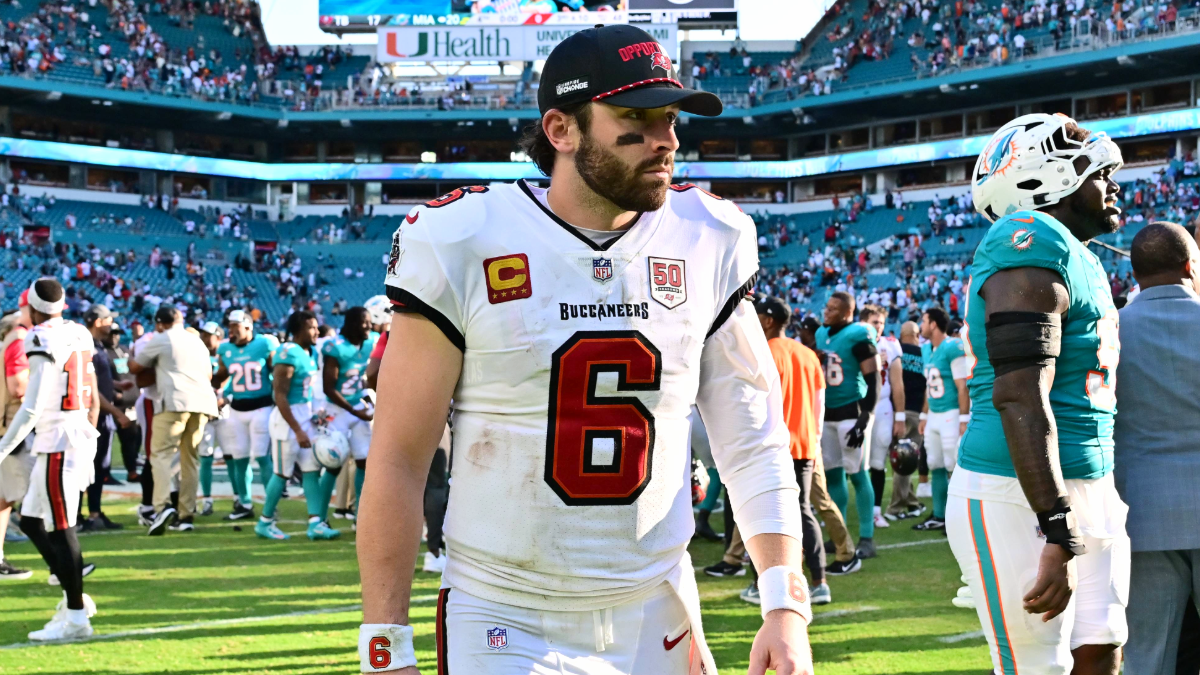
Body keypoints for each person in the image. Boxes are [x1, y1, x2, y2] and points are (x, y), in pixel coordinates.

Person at [358, 24, 813, 675]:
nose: (667, 139)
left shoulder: (706, 236)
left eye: (671, 116)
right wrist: (385, 646)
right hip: (504, 613)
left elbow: (752, 436)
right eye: (636, 117)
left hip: (656, 607)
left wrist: (783, 602)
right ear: (561, 129)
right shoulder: (464, 241)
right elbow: (400, 457)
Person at [948, 113, 1128, 675]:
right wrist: (1056, 523)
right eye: (1096, 172)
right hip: (1018, 491)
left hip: (1090, 480)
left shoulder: (1085, 257)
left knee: (1102, 650)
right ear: (1044, 178)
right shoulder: (1028, 239)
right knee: (1036, 666)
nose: (1113, 184)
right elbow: (1020, 394)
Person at [1112, 222, 1200, 674]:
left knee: (1147, 658)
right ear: (1191, 266)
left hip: (1141, 513)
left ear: (1136, 273)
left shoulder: (1112, 331)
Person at [0, 279, 100, 640]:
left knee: (62, 527)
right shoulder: (79, 331)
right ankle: (74, 599)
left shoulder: (40, 336)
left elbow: (32, 405)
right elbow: (91, 390)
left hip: (59, 438)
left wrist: (2, 449)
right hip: (69, 434)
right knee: (29, 521)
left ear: (32, 306)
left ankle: (76, 617)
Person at [755, 296, 831, 605]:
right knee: (803, 510)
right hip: (804, 443)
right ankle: (820, 580)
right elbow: (819, 403)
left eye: (758, 315)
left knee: (764, 513)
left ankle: (763, 582)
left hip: (773, 445)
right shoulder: (808, 354)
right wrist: (814, 441)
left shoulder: (764, 352)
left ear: (768, 320)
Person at [128, 306, 220, 535]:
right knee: (191, 458)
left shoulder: (162, 337)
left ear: (160, 323)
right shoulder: (196, 341)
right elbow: (209, 374)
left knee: (159, 454)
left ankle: (162, 506)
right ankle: (186, 513)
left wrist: (133, 354)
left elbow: (136, 367)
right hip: (203, 402)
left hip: (175, 400)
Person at [256, 310, 339, 542]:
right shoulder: (287, 353)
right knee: (282, 473)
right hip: (287, 420)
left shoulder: (309, 351)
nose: (316, 331)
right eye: (311, 327)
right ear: (298, 329)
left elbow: (306, 392)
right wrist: (298, 429)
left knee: (311, 470)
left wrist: (315, 415)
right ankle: (264, 522)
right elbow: (280, 396)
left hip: (303, 416)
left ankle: (316, 523)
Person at [815, 291, 880, 560]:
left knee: (858, 474)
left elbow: (874, 379)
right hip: (827, 414)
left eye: (833, 309)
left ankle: (867, 538)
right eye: (826, 307)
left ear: (847, 313)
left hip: (852, 413)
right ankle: (838, 534)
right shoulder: (822, 334)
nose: (826, 312)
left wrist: (864, 419)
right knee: (833, 476)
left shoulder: (858, 334)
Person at [212, 309, 278, 521]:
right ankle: (244, 503)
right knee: (239, 458)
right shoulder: (225, 349)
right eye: (229, 327)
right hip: (237, 409)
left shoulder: (264, 344)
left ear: (249, 327)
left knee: (261, 456)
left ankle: (270, 505)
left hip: (262, 407)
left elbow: (276, 373)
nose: (231, 331)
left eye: (236, 327)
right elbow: (221, 377)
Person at [318, 306, 376, 523]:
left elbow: (359, 378)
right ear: (352, 324)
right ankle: (320, 518)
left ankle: (361, 517)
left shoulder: (368, 343)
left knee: (364, 462)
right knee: (332, 464)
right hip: (337, 411)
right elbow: (329, 388)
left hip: (356, 408)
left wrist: (367, 399)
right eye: (365, 322)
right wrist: (356, 411)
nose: (369, 327)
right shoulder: (336, 347)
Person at [914, 307, 969, 532]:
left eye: (924, 321)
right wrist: (924, 414)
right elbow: (930, 386)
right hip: (934, 414)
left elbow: (962, 386)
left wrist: (964, 418)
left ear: (934, 324)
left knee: (953, 465)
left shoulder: (952, 347)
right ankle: (939, 514)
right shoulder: (927, 350)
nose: (921, 326)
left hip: (951, 414)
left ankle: (960, 518)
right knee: (935, 463)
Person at [80, 305, 127, 532]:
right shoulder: (85, 345)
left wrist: (116, 385)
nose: (112, 324)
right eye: (108, 320)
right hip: (93, 416)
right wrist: (116, 412)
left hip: (100, 414)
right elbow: (90, 386)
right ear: (98, 322)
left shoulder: (97, 345)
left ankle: (94, 513)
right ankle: (80, 515)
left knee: (99, 468)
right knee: (86, 468)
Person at [858, 304, 905, 530]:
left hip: (883, 405)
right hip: (858, 406)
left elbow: (898, 384)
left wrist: (901, 417)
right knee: (856, 460)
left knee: (878, 458)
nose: (879, 327)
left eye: (881, 323)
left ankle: (875, 511)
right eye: (874, 322)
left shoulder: (891, 345)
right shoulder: (853, 341)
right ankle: (856, 508)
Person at [0, 300, 33, 580]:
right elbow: (19, 387)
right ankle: (63, 563)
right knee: (31, 492)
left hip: (6, 427)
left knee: (5, 497)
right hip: (9, 429)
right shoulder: (15, 344)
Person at [885, 320, 926, 521]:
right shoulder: (924, 354)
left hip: (894, 411)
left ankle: (911, 502)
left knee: (900, 459)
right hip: (916, 412)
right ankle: (895, 508)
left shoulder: (896, 352)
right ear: (917, 335)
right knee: (906, 460)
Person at [196, 321, 226, 518]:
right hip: (205, 411)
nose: (206, 339)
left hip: (225, 409)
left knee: (233, 458)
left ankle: (241, 499)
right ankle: (206, 499)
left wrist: (225, 397)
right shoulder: (197, 354)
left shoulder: (228, 353)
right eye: (204, 335)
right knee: (205, 457)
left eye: (209, 335)